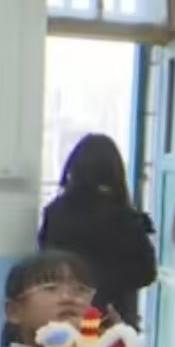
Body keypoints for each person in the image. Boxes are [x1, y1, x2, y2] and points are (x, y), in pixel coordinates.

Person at [37, 134, 157, 328]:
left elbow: (45, 263)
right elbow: (146, 273)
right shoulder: (125, 219)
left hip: (65, 316)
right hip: (112, 319)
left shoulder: (55, 213)